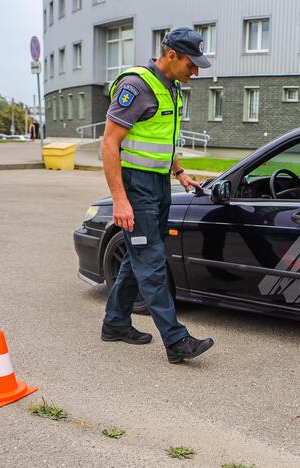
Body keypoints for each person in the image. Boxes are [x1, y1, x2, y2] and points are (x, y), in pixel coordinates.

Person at [100, 27, 214, 364]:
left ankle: (115, 323)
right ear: (171, 55)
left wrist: (178, 171)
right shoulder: (136, 86)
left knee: (139, 258)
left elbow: (162, 140)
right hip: (136, 188)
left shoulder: (172, 88)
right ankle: (176, 341)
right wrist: (120, 199)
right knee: (150, 261)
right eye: (192, 64)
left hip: (159, 185)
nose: (195, 71)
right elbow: (109, 144)